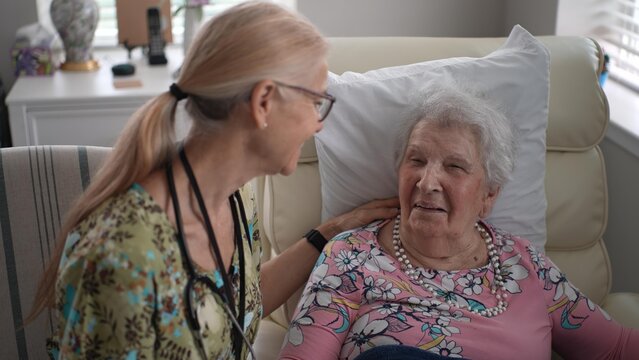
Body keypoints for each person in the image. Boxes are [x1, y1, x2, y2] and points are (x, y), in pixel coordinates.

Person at [26, 2, 399, 359]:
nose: (318, 123)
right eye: (315, 102)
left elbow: (236, 309)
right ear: (264, 102)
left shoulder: (238, 198)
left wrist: (331, 230)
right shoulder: (122, 257)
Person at [279, 81, 639, 359]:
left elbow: (616, 349)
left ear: (489, 195)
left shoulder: (525, 265)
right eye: (416, 160)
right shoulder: (350, 256)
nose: (427, 182)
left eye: (454, 167)